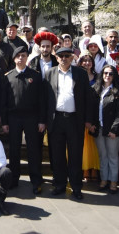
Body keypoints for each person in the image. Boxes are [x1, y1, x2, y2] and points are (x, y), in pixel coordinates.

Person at [43, 46, 96, 200]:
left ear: (72, 58)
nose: (64, 58)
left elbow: (87, 98)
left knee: (75, 155)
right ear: (57, 58)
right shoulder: (49, 73)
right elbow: (45, 99)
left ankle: (76, 187)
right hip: (56, 119)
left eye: (67, 56)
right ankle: (59, 185)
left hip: (75, 120)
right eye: (61, 56)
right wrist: (44, 120)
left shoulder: (80, 73)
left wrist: (88, 120)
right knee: (58, 155)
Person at [3, 46, 45, 194]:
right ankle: (14, 179)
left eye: (24, 55)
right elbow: (5, 102)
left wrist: (41, 120)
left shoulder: (36, 75)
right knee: (14, 150)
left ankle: (36, 181)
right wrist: (5, 122)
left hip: (31, 117)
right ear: (14, 58)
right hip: (13, 117)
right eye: (18, 56)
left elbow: (41, 100)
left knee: (33, 150)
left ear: (27, 57)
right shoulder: (8, 76)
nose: (21, 58)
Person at [92, 63, 119, 194]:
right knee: (103, 155)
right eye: (105, 73)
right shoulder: (96, 89)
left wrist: (114, 130)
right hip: (99, 128)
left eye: (111, 74)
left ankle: (113, 181)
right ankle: (104, 180)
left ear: (114, 76)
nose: (107, 76)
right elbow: (93, 109)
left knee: (112, 156)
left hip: (113, 130)